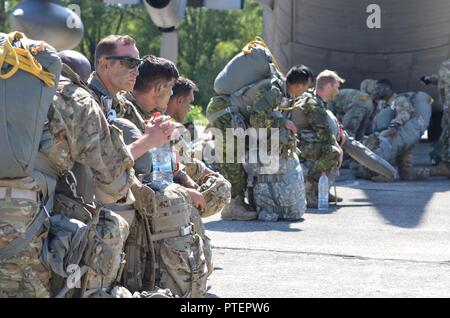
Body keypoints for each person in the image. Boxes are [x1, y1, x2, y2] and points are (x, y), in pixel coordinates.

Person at [295, 70, 345, 208]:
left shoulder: (318, 101)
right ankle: (309, 190)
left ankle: (324, 189)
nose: (338, 92)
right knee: (333, 152)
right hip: (301, 145)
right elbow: (324, 133)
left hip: (309, 142)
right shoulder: (313, 104)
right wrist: (339, 149)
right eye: (337, 87)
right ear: (329, 86)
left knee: (335, 149)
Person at [421, 59, 450, 178]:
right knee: (446, 134)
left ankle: (445, 165)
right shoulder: (446, 65)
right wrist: (430, 80)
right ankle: (446, 165)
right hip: (446, 106)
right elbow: (443, 80)